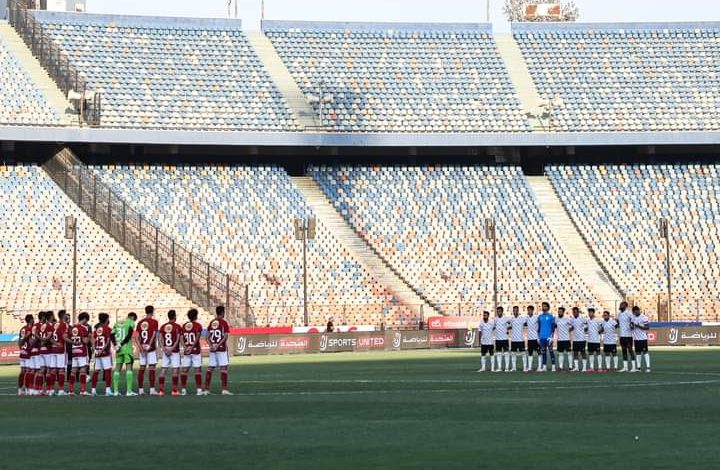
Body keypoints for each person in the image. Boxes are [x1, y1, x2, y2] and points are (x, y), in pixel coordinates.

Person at [205, 305, 232, 395]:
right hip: (221, 349)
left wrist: (211, 346)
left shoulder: (212, 322)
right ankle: (224, 390)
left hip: (213, 349)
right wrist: (218, 345)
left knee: (210, 368)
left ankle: (206, 390)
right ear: (223, 313)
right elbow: (225, 336)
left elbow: (207, 337)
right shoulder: (223, 323)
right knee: (223, 368)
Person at [135, 305, 160, 396]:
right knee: (152, 368)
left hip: (142, 348)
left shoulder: (140, 322)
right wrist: (149, 345)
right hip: (151, 348)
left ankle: (140, 390)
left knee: (142, 368)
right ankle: (152, 390)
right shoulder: (154, 322)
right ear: (152, 312)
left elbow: (137, 337)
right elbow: (154, 334)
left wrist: (141, 347)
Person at [158, 310, 183, 396]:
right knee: (175, 370)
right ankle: (174, 391)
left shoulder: (163, 326)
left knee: (163, 370)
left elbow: (160, 339)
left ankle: (161, 391)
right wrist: (171, 349)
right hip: (174, 351)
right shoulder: (177, 327)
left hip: (166, 351)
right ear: (175, 317)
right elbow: (178, 339)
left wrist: (164, 349)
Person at [112, 312, 137, 397]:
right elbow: (129, 335)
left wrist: (116, 344)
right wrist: (122, 343)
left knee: (117, 368)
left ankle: (115, 391)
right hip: (126, 348)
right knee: (129, 368)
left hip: (118, 349)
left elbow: (111, 335)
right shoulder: (131, 322)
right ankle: (129, 391)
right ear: (132, 317)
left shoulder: (117, 323)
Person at [181, 308, 204, 396]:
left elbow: (181, 338)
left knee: (184, 370)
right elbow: (197, 338)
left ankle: (183, 390)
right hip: (195, 350)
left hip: (187, 351)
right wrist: (192, 347)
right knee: (197, 370)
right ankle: (198, 390)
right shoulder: (198, 325)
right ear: (196, 316)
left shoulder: (184, 325)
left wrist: (185, 347)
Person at [68, 312, 91, 396]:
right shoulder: (84, 328)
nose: (87, 322)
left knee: (73, 371)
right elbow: (85, 341)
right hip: (82, 351)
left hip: (74, 351)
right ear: (84, 319)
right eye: (87, 320)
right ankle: (83, 390)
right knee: (83, 370)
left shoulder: (73, 328)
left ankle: (71, 390)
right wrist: (89, 336)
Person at [91, 313, 114, 396]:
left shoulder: (96, 329)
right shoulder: (107, 329)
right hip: (105, 353)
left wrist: (95, 350)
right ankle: (108, 390)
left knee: (96, 371)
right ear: (106, 319)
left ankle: (93, 390)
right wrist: (103, 350)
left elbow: (93, 340)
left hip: (97, 353)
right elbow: (108, 341)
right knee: (107, 370)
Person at [49, 311, 70, 396]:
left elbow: (49, 337)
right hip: (61, 350)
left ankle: (51, 390)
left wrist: (55, 343)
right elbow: (64, 337)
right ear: (63, 316)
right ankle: (61, 390)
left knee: (53, 370)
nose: (67, 316)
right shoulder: (64, 324)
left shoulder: (54, 324)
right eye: (66, 314)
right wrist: (73, 342)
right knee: (61, 370)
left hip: (53, 350)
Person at [17, 314, 34, 395]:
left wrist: (21, 349)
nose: (34, 320)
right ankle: (27, 389)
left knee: (22, 371)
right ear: (30, 320)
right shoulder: (30, 329)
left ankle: (20, 390)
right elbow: (30, 341)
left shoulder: (22, 329)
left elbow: (19, 341)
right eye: (33, 319)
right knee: (28, 371)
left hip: (22, 352)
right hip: (28, 353)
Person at [618, 302, 637, 372]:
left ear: (625, 306)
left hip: (628, 335)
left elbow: (633, 320)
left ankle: (634, 367)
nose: (620, 306)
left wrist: (632, 325)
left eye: (622, 305)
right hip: (622, 335)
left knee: (630, 350)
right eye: (620, 305)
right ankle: (625, 367)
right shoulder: (619, 314)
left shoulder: (628, 313)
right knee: (623, 350)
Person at [631, 306, 651, 373]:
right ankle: (638, 368)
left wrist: (638, 326)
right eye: (633, 312)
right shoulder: (633, 318)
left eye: (636, 311)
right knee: (638, 353)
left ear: (638, 310)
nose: (634, 313)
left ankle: (648, 367)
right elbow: (632, 327)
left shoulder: (644, 317)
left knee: (645, 352)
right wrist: (632, 326)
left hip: (643, 338)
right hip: (636, 338)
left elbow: (647, 327)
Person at [537, 302, 556, 372]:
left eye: (545, 306)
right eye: (542, 306)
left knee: (551, 351)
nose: (543, 307)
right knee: (543, 352)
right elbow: (539, 328)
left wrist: (552, 337)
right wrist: (538, 337)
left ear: (548, 308)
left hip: (548, 337)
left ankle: (553, 366)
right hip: (542, 337)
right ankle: (544, 366)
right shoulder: (539, 317)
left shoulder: (551, 316)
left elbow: (553, 328)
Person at [509, 306, 527, 372]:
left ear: (518, 311)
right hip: (513, 340)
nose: (515, 312)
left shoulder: (522, 319)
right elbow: (508, 326)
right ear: (513, 311)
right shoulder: (511, 319)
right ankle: (514, 367)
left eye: (516, 310)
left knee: (523, 354)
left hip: (520, 340)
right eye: (514, 310)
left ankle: (525, 367)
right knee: (513, 354)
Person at [570, 307, 588, 372]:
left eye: (576, 311)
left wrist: (585, 328)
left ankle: (584, 368)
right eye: (573, 312)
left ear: (578, 312)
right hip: (575, 339)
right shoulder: (572, 319)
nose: (574, 313)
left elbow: (587, 324)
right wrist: (570, 329)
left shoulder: (582, 318)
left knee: (583, 353)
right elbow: (572, 327)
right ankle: (576, 367)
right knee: (575, 353)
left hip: (581, 339)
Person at [555, 307, 574, 371]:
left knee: (569, 353)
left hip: (566, 339)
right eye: (559, 311)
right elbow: (554, 325)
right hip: (559, 339)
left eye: (561, 311)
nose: (559, 312)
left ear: (563, 312)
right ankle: (560, 367)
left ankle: (571, 367)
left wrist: (569, 330)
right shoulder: (556, 319)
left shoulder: (567, 319)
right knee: (560, 354)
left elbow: (573, 326)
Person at [493, 306, 511, 372]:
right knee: (498, 353)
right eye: (497, 311)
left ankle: (506, 368)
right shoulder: (495, 319)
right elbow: (493, 327)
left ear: (502, 312)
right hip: (498, 339)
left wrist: (507, 329)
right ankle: (499, 368)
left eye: (500, 311)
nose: (498, 312)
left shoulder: (506, 318)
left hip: (505, 339)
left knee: (506, 353)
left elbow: (511, 324)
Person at [525, 305, 541, 372]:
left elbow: (541, 323)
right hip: (529, 339)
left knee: (539, 353)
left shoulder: (537, 317)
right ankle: (530, 367)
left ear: (532, 310)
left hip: (536, 338)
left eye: (530, 310)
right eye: (528, 310)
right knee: (530, 353)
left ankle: (540, 367)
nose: (529, 311)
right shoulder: (526, 318)